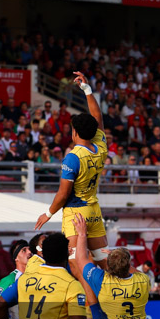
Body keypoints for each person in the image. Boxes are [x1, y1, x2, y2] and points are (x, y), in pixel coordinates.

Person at [35, 72, 110, 271]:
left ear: (74, 132)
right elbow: (98, 117)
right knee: (103, 260)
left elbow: (63, 194)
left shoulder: (73, 157)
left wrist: (48, 214)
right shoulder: (101, 146)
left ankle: (87, 300)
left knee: (76, 261)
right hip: (94, 210)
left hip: (76, 213)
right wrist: (87, 90)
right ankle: (115, 293)